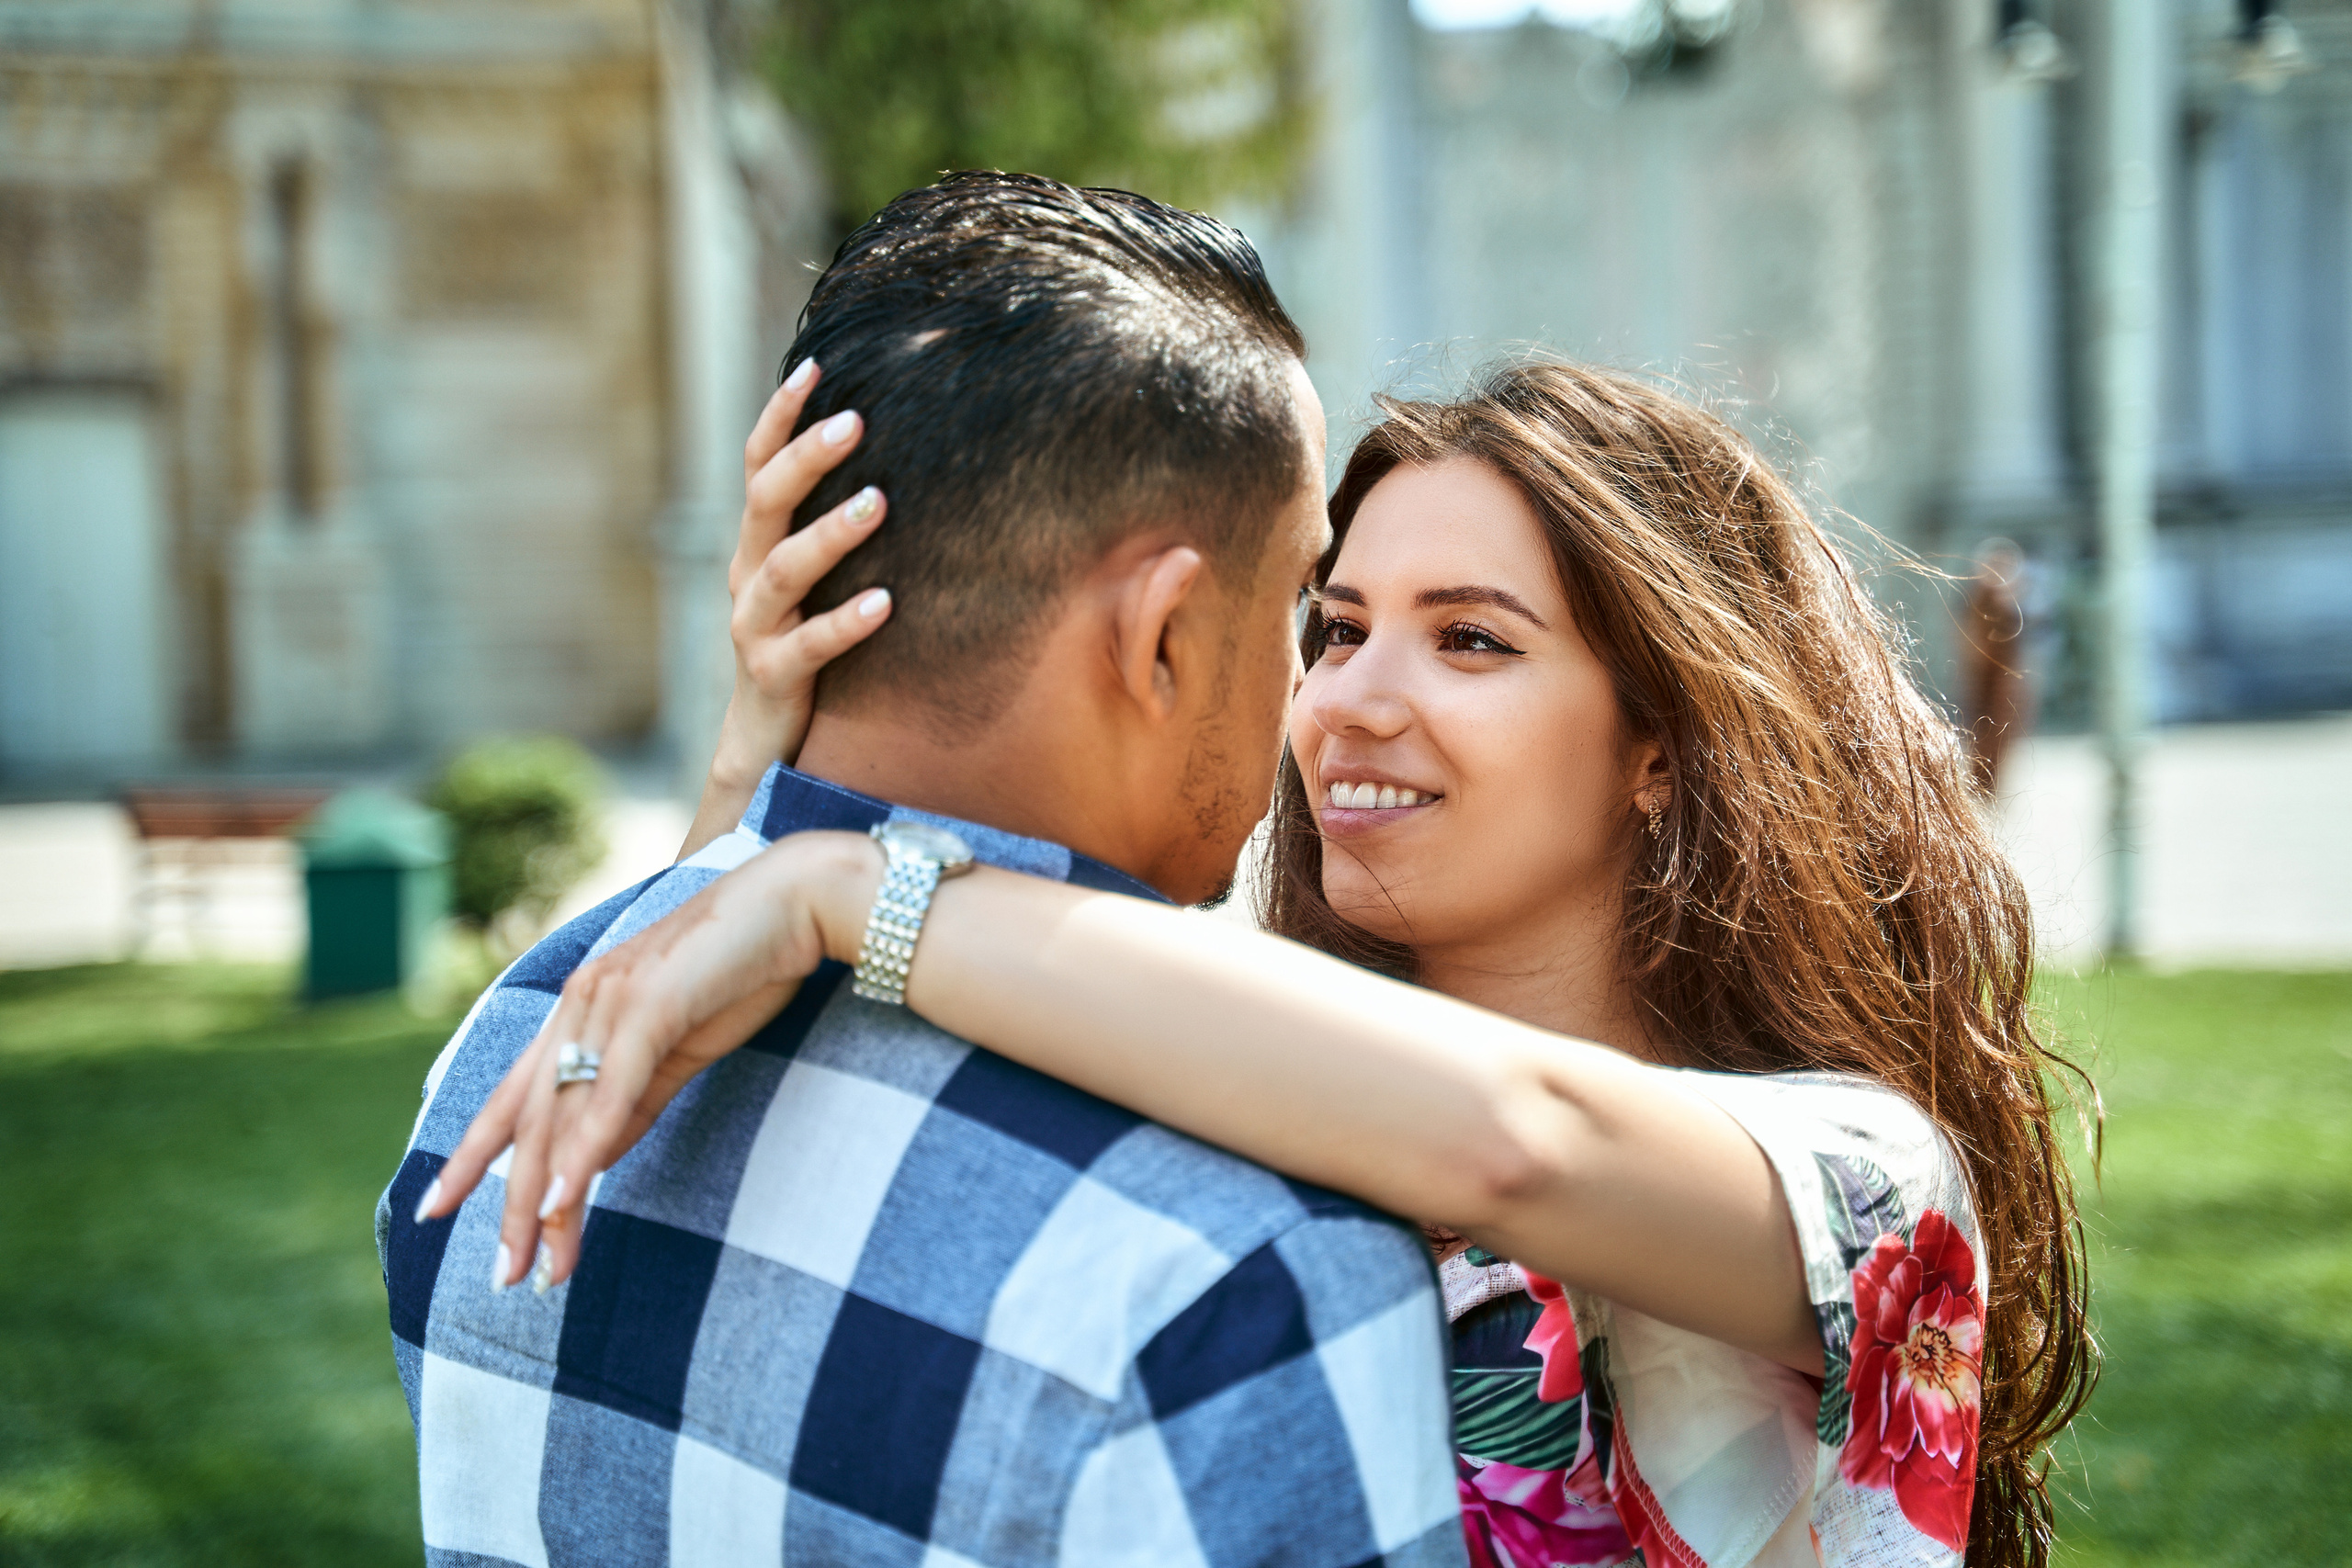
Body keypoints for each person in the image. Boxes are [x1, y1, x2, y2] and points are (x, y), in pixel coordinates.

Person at [433, 355, 2100, 1568]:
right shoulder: (1218, 1047)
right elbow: (727, 1095)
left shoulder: (1865, 1176)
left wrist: (841, 886)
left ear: (1660, 744)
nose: (1350, 699)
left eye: (1469, 640)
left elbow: (1517, 1141)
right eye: (1336, 627)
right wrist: (771, 752)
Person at [383, 172, 1469, 1568]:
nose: (1309, 691)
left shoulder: (523, 1046)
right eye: (1301, 605)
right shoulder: (1246, 1264)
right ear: (1162, 636)